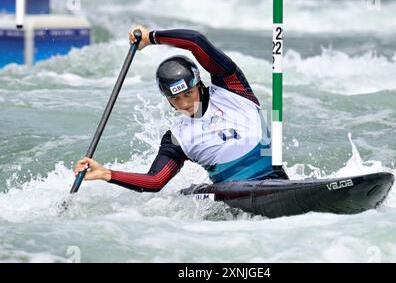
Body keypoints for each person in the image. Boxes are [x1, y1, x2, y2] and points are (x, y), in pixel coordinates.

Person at [74, 26, 288, 192]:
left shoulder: (232, 88)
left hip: (278, 182)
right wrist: (106, 173)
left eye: (188, 93)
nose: (185, 104)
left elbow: (195, 41)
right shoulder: (177, 137)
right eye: (176, 99)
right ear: (168, 100)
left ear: (199, 85)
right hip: (237, 196)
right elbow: (155, 181)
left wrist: (152, 37)